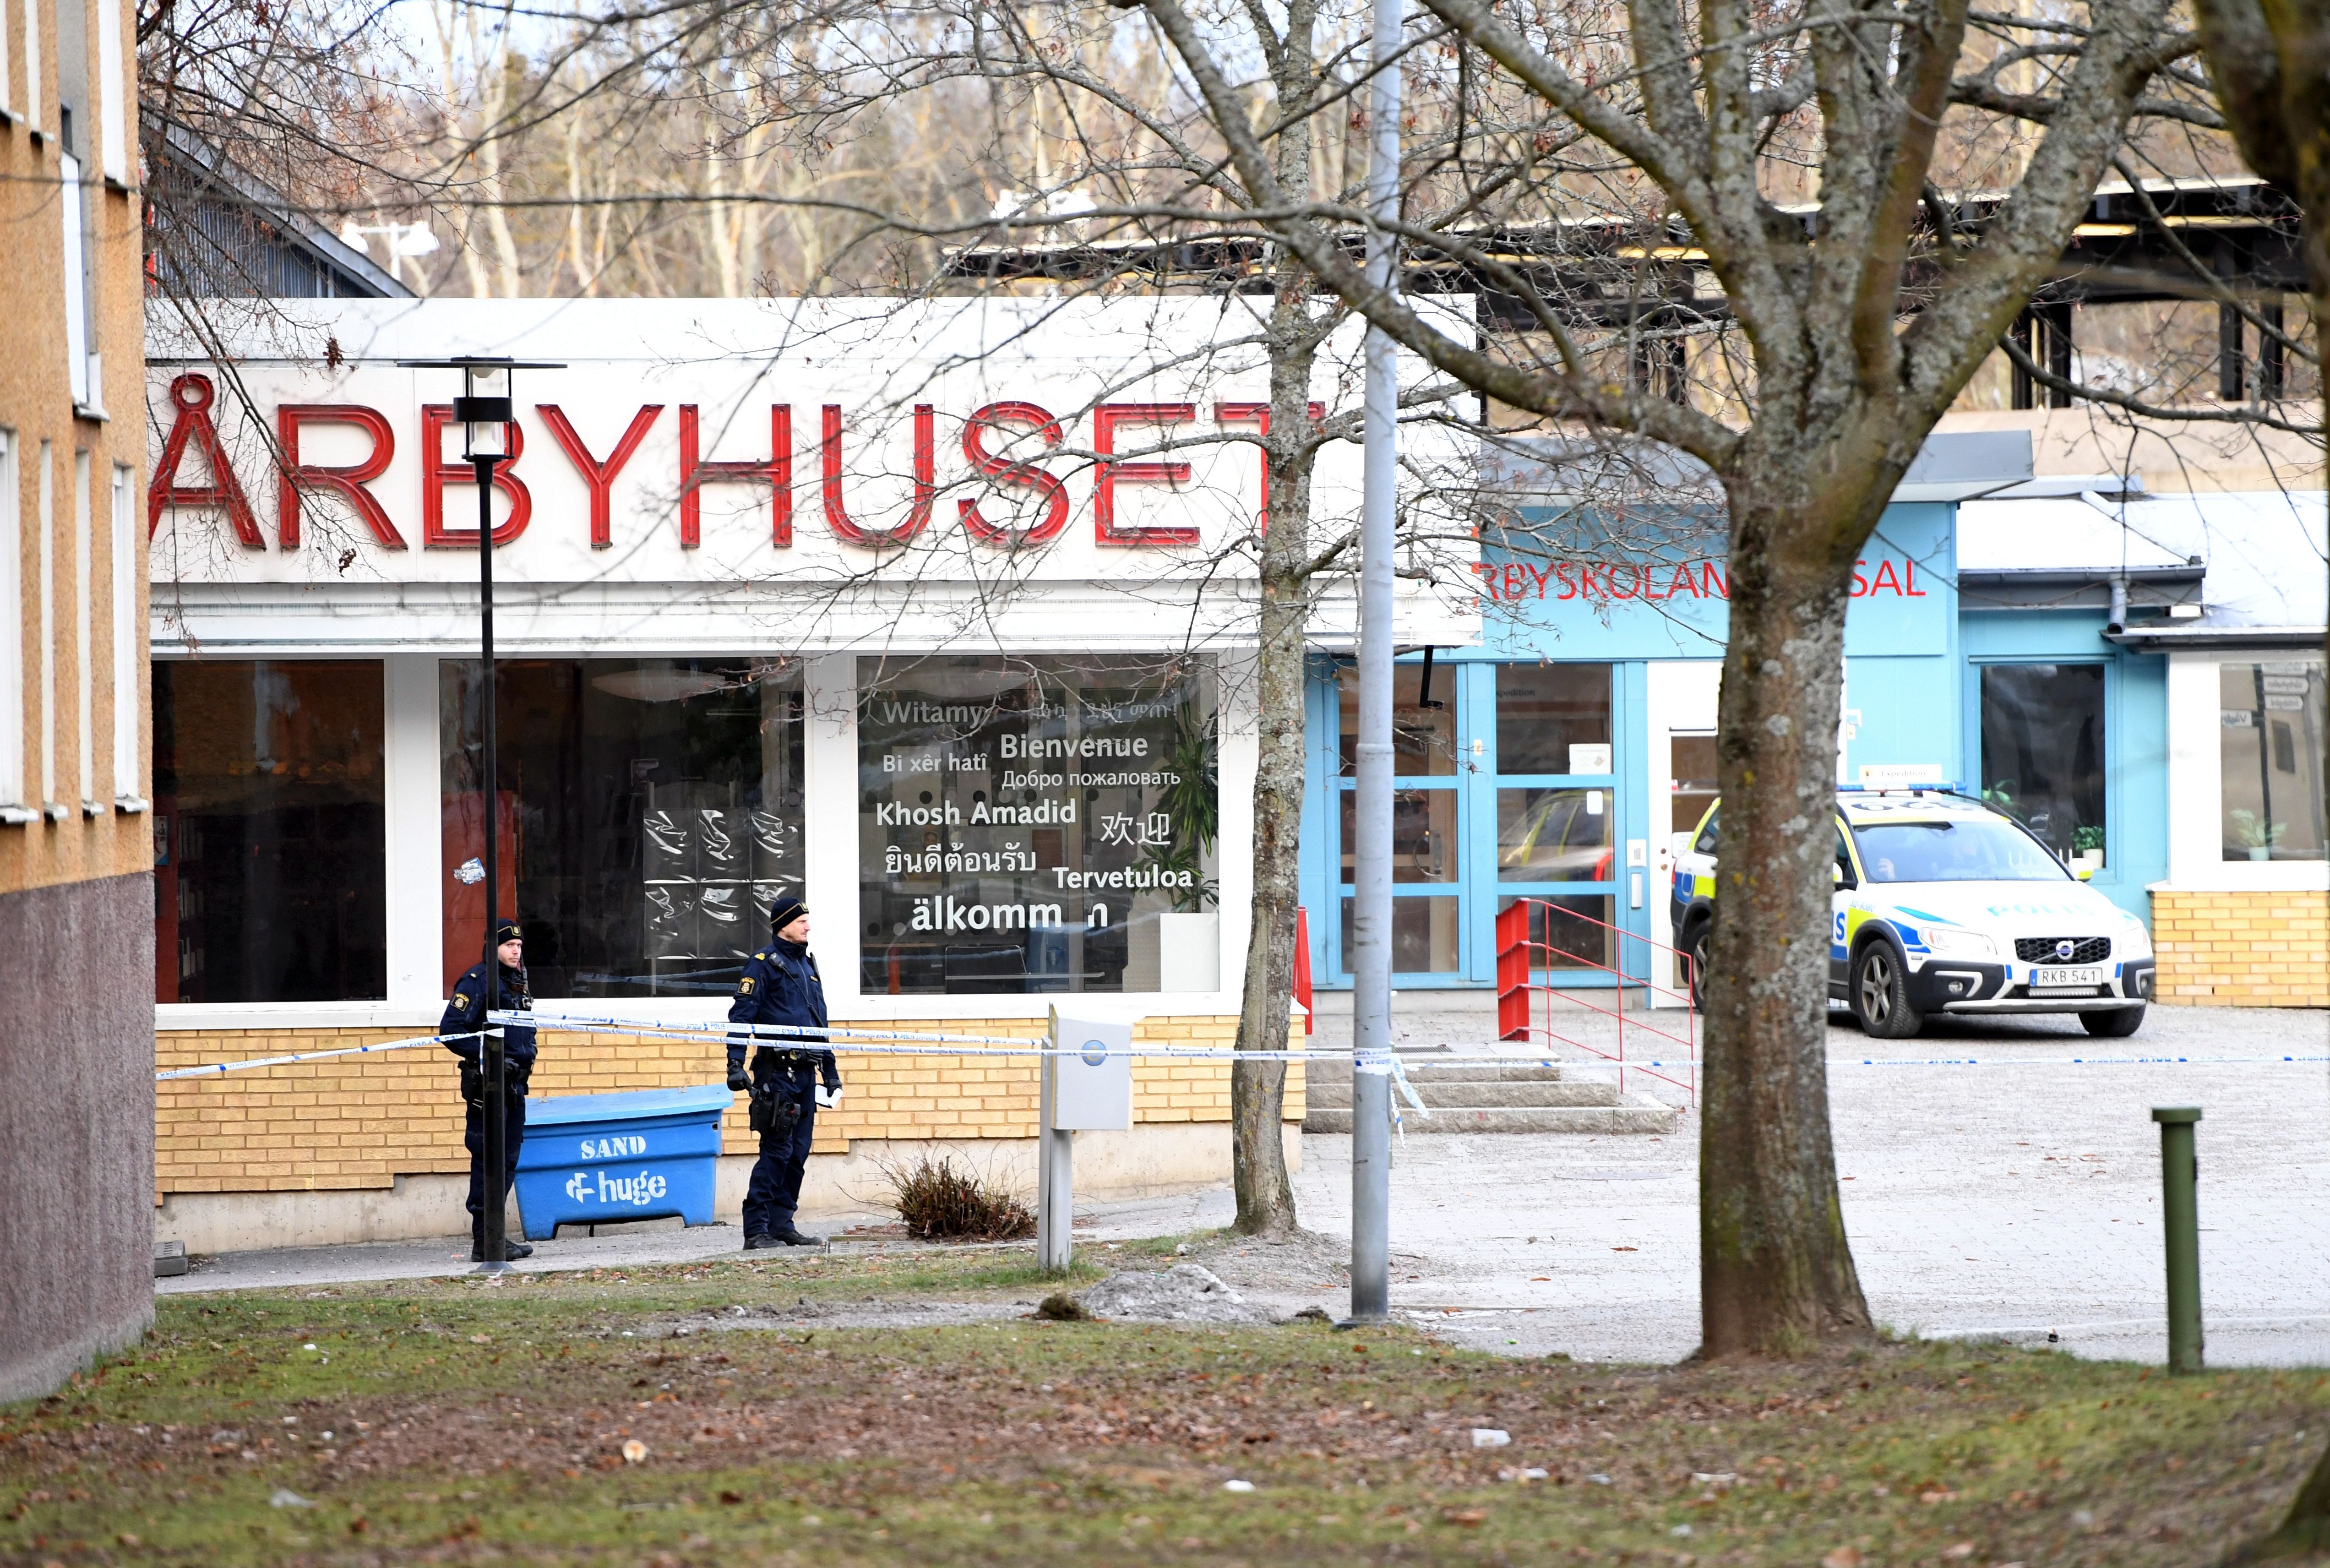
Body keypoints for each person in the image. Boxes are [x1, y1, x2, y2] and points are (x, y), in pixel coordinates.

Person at [727, 895, 839, 1249]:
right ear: (784, 925)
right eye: (802, 921)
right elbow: (742, 1016)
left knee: (798, 1154)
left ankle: (781, 1225)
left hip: (806, 1074)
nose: (808, 927)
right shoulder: (763, 965)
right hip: (776, 1075)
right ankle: (756, 1230)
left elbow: (820, 1023)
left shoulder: (807, 965)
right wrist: (735, 1063)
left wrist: (830, 1072)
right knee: (777, 1152)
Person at [442, 919, 537, 1262]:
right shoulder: (478, 981)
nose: (516, 951)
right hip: (489, 1087)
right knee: (488, 1160)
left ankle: (495, 1236)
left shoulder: (517, 982)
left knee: (508, 1160)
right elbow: (451, 1031)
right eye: (509, 946)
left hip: (514, 1086)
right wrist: (491, 1056)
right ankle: (485, 1240)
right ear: (493, 947)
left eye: (520, 946)